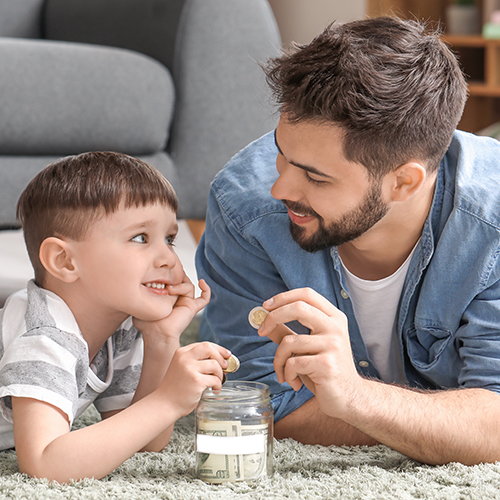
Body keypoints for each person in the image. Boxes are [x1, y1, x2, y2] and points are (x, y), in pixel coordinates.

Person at [195, 16, 500, 466]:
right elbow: (259, 404)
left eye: (316, 177)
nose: (280, 189)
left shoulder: (490, 229)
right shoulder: (245, 207)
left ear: (403, 183)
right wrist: (445, 422)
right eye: (282, 153)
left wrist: (355, 398)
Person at [0, 151, 231, 483]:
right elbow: (44, 465)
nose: (168, 257)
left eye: (169, 239)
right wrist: (168, 400)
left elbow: (144, 439)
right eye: (140, 238)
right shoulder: (44, 335)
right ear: (64, 261)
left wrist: (162, 339)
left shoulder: (119, 326)